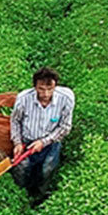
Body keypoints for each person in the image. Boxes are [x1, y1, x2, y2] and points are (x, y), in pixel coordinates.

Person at [9, 67, 74, 200]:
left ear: (55, 86)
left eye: (50, 89)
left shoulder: (66, 99)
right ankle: (20, 197)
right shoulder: (23, 99)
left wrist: (43, 142)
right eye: (41, 89)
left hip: (51, 143)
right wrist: (17, 142)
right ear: (34, 87)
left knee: (46, 170)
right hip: (27, 141)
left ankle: (39, 197)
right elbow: (15, 121)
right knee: (21, 169)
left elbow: (65, 127)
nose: (45, 94)